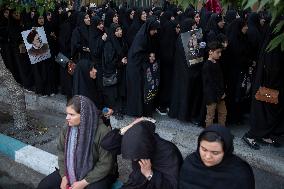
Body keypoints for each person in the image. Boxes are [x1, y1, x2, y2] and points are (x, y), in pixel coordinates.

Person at [37, 95, 116, 189]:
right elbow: (61, 151)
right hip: (71, 169)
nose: (67, 118)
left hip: (96, 173)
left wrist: (84, 182)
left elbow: (105, 164)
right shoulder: (68, 127)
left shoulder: (102, 132)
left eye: (72, 114)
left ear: (84, 116)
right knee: (45, 185)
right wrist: (64, 176)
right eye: (67, 114)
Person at [101, 117, 183, 189]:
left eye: (135, 157)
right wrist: (132, 126)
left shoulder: (169, 152)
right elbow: (107, 144)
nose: (134, 159)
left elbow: (173, 186)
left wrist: (150, 174)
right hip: (137, 181)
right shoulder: (134, 140)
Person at [242, 19, 284, 150]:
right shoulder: (273, 46)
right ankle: (251, 135)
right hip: (267, 84)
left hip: (268, 83)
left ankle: (263, 134)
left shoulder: (270, 42)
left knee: (268, 110)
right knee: (264, 110)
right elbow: (273, 66)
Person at [179, 124, 255, 189]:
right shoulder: (190, 163)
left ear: (226, 151)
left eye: (215, 153)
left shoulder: (240, 174)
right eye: (204, 149)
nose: (208, 157)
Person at [126, 18, 160, 117]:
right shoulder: (141, 37)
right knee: (136, 89)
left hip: (140, 66)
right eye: (154, 29)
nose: (155, 32)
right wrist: (148, 57)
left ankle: (142, 111)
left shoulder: (148, 36)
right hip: (135, 66)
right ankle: (136, 112)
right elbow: (137, 53)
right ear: (149, 28)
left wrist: (151, 54)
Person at [202, 41, 227, 127]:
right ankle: (208, 135)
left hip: (220, 94)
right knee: (210, 116)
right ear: (210, 52)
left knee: (223, 113)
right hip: (212, 95)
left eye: (220, 52)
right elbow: (211, 83)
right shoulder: (207, 66)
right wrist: (220, 93)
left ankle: (222, 131)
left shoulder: (216, 63)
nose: (220, 55)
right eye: (218, 52)